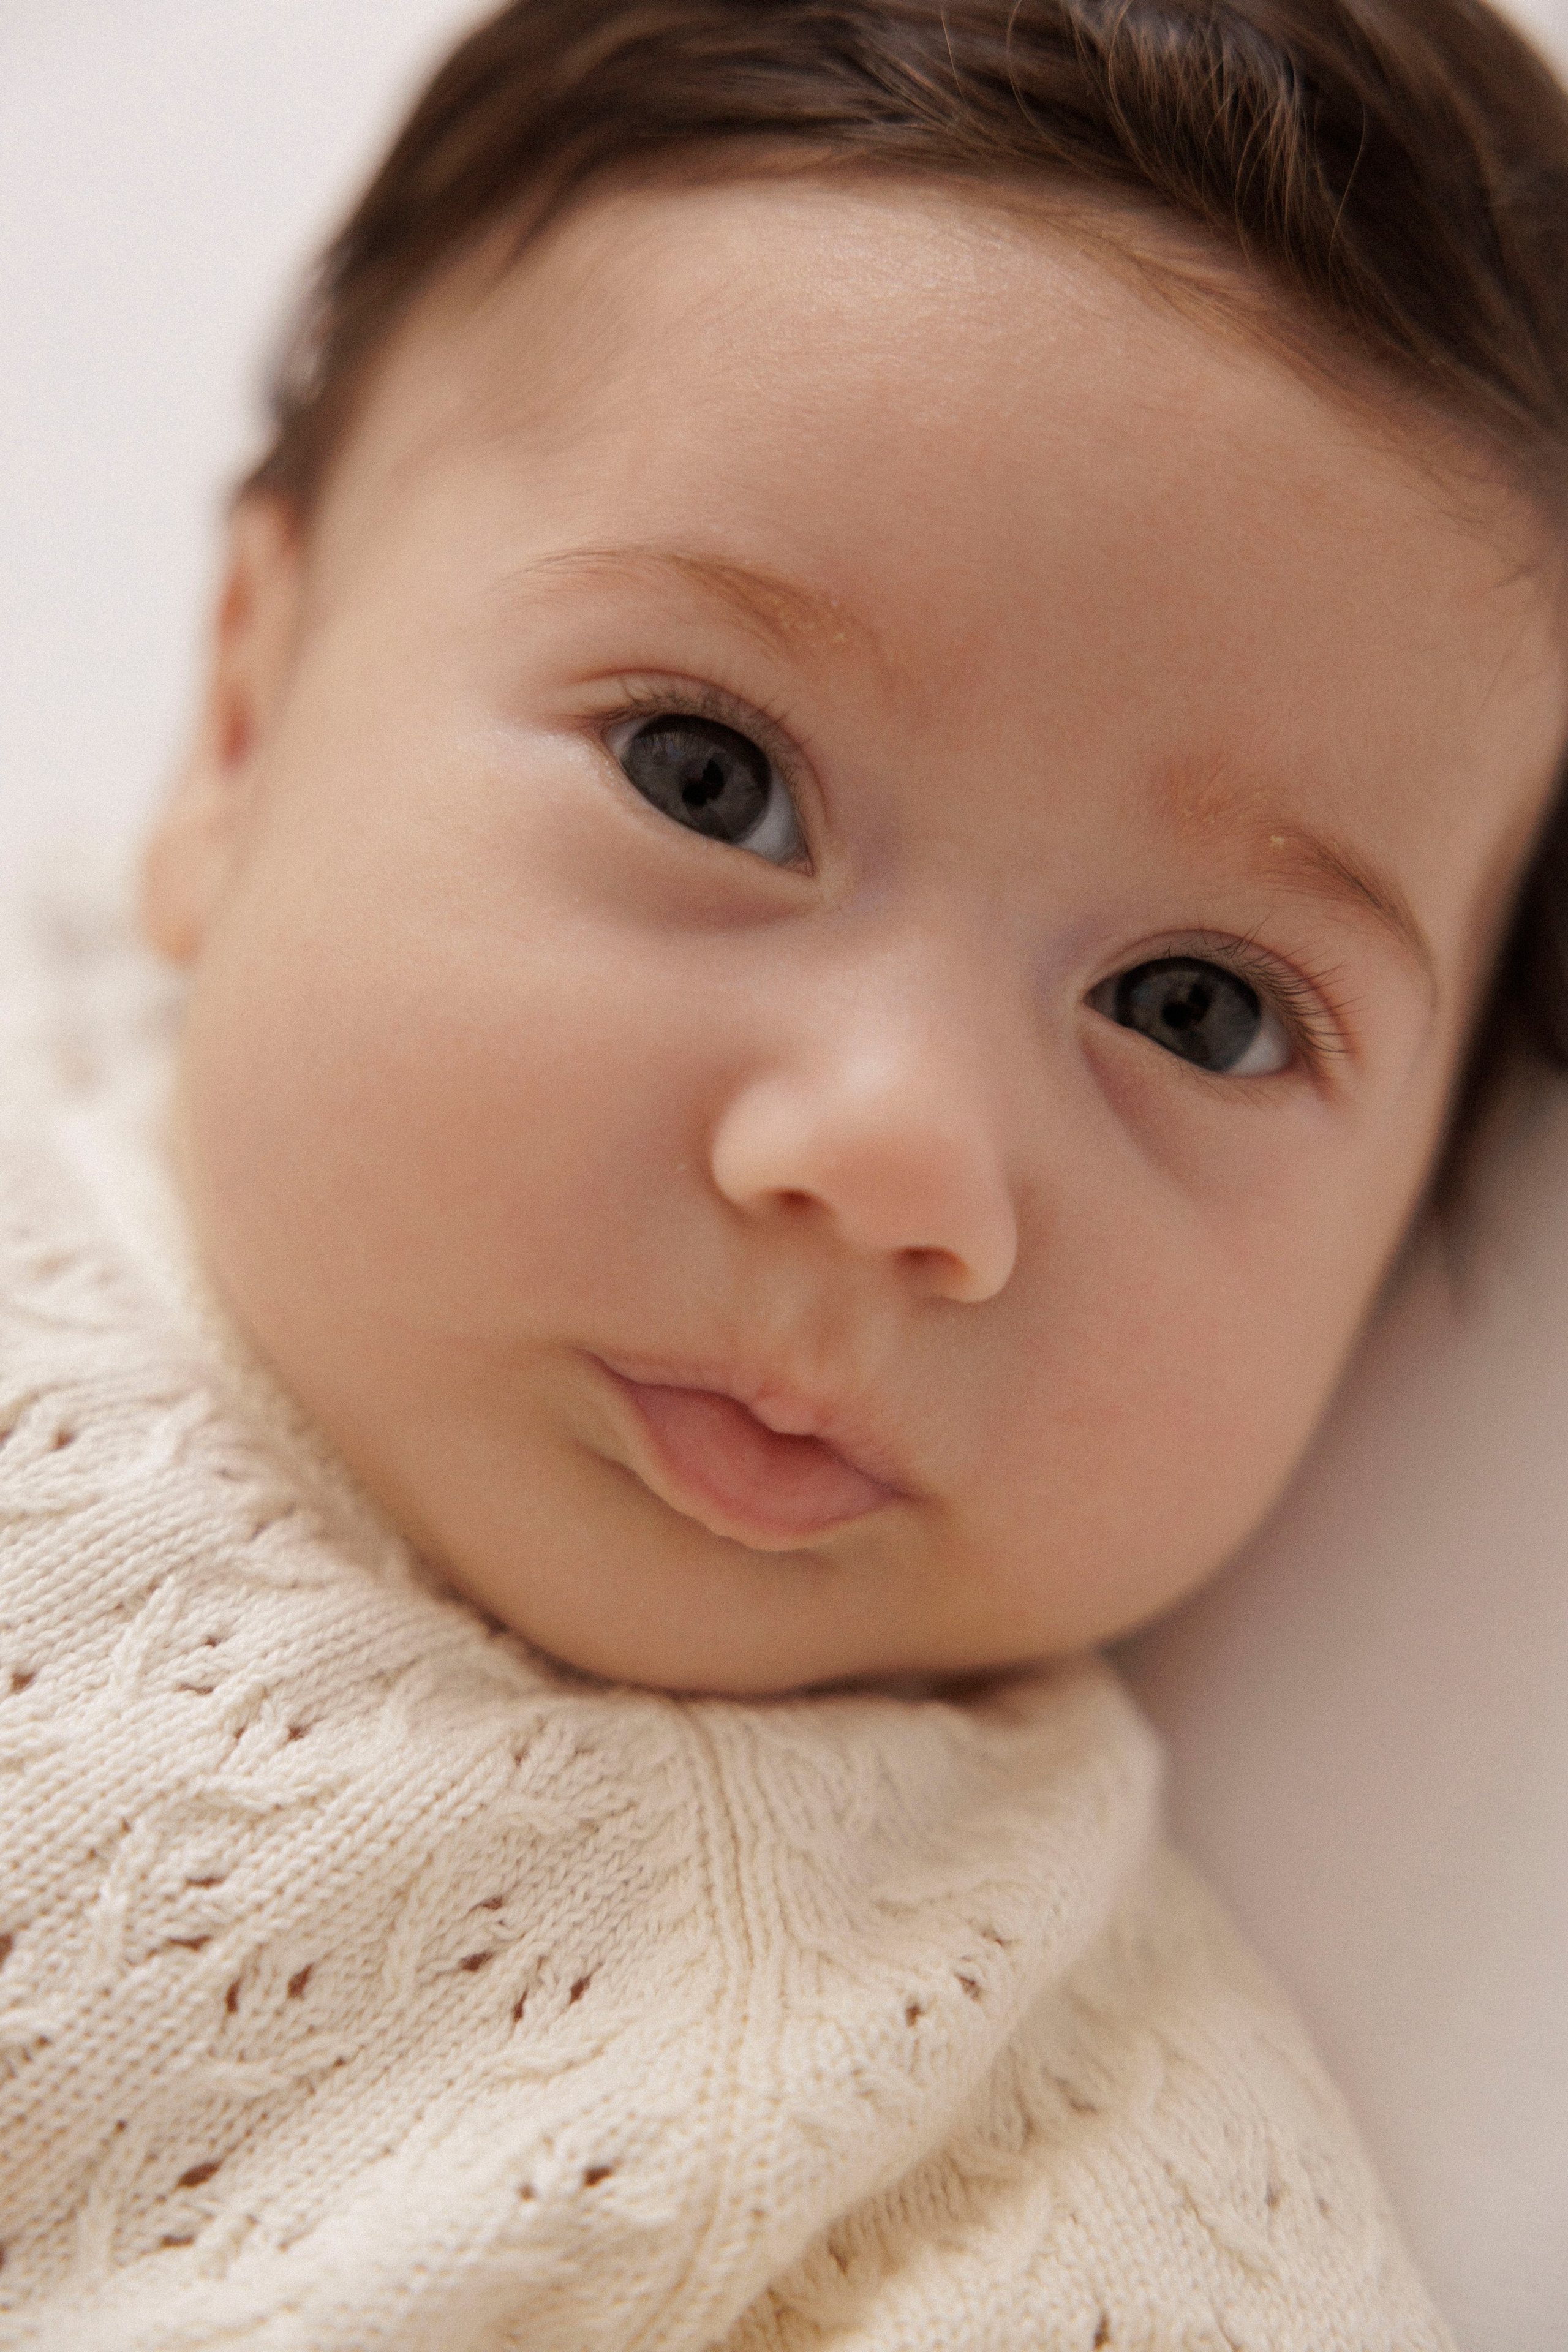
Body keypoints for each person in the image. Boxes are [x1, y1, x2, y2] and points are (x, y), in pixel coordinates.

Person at [2, 0, 1564, 2341]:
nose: (895, 1155)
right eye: (709, 780)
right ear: (241, 721)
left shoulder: (1012, 2149)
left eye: (1195, 1011)